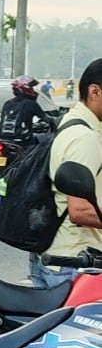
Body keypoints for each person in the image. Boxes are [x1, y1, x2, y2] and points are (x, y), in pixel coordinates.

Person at [35, 58, 102, 288]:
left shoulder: (68, 122)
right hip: (74, 265)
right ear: (95, 91)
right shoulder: (85, 137)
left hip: (53, 258)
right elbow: (80, 210)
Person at [0, 75, 53, 146]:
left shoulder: (7, 103)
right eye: (31, 87)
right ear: (26, 88)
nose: (33, 90)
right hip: (22, 139)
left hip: (2, 139)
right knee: (42, 145)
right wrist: (53, 123)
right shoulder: (30, 103)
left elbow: (2, 119)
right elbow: (45, 118)